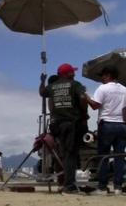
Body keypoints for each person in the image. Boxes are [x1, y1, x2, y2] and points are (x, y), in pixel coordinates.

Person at [39, 63, 88, 194]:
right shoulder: (75, 85)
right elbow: (83, 97)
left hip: (56, 125)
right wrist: (83, 111)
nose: (74, 74)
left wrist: (42, 81)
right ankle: (69, 186)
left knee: (65, 154)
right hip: (71, 124)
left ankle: (66, 183)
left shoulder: (52, 86)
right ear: (67, 74)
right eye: (72, 72)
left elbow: (42, 92)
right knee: (70, 155)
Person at [85, 65, 126, 195]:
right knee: (119, 156)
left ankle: (102, 187)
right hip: (123, 125)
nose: (101, 78)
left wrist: (87, 98)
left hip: (107, 124)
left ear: (108, 75)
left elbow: (95, 106)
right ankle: (118, 187)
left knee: (103, 156)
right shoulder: (125, 90)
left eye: (103, 75)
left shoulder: (103, 88)